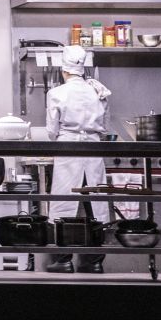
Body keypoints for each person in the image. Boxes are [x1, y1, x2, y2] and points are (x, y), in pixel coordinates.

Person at [44, 43, 112, 274]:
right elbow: (105, 126)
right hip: (93, 150)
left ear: (64, 70)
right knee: (95, 206)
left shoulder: (56, 93)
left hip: (68, 149)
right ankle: (95, 262)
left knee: (64, 204)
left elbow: (52, 131)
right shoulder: (99, 91)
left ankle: (63, 260)